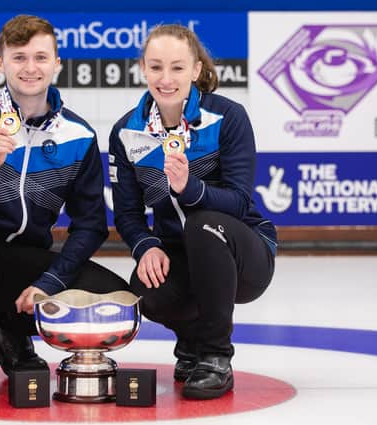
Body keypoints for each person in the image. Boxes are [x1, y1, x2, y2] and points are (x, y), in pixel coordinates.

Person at [0, 14, 128, 400]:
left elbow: (92, 225)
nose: (30, 68)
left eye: (40, 57)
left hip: (19, 264)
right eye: (18, 57)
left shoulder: (78, 135)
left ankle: (4, 326)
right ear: (1, 64)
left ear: (57, 63)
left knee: (110, 293)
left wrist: (50, 282)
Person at [108, 24, 277, 400]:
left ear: (197, 70)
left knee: (202, 224)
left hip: (244, 256)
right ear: (143, 69)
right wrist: (145, 247)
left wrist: (190, 188)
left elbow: (240, 201)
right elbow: (128, 214)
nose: (165, 79)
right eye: (155, 67)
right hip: (180, 253)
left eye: (177, 68)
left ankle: (216, 356)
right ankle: (192, 344)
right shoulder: (125, 132)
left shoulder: (228, 117)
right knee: (145, 286)